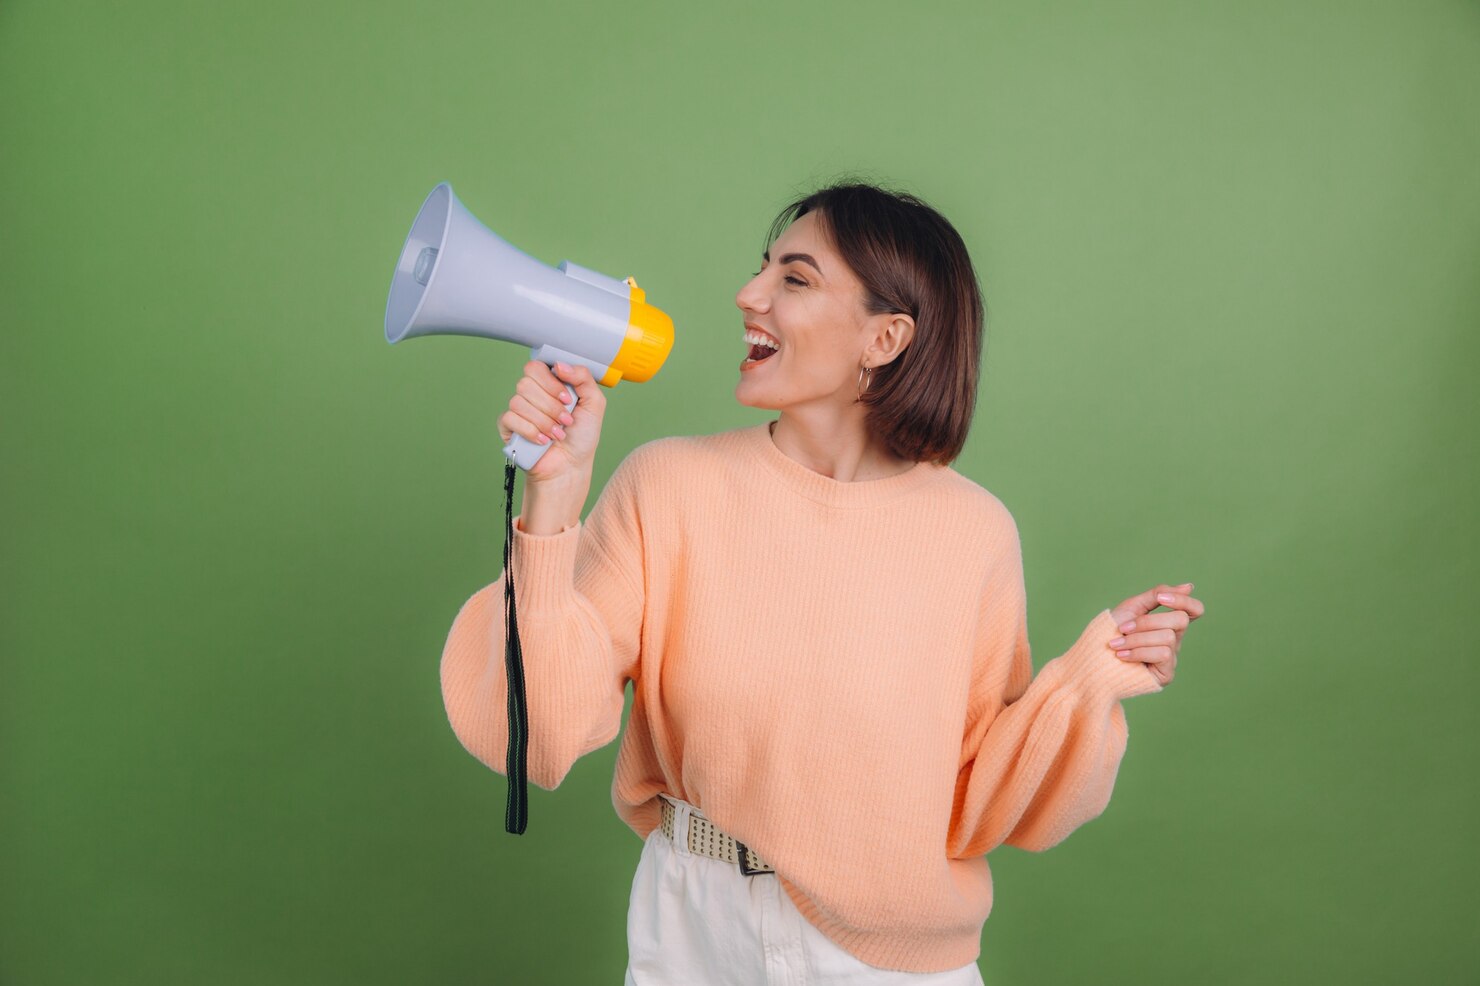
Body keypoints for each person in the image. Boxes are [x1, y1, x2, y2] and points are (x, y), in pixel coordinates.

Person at [440, 180, 1205, 983]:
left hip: (882, 961)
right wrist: (556, 498)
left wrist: (1094, 680)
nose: (748, 295)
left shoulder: (974, 532)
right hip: (691, 931)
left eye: (794, 279)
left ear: (886, 338)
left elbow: (979, 793)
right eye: (762, 268)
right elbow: (536, 733)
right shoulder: (665, 486)